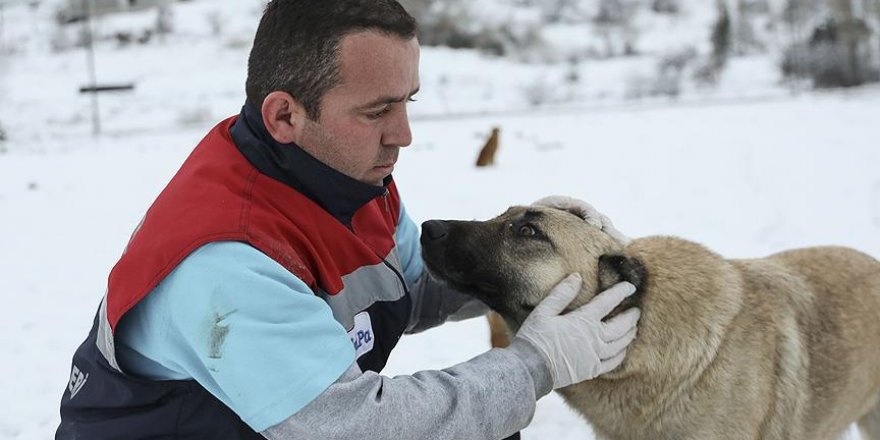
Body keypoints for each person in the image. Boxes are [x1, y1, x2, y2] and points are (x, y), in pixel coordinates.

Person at [55, 1, 641, 439]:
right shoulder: (227, 262)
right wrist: (534, 364)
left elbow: (408, 292)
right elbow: (357, 428)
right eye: (376, 110)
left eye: (407, 101)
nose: (403, 136)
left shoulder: (341, 178)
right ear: (285, 114)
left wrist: (528, 254)